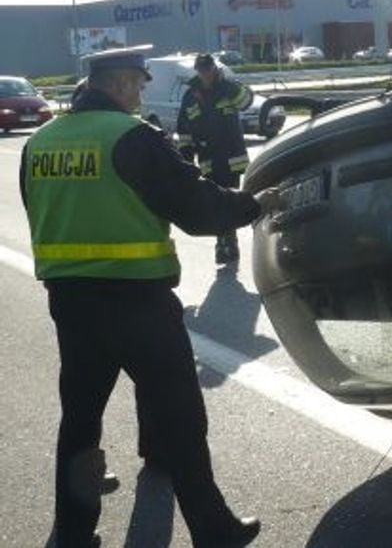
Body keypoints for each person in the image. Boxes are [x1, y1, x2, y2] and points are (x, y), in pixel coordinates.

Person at [20, 46, 279, 548]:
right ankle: (213, 528)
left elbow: (38, 211)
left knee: (80, 420)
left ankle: (74, 533)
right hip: (136, 303)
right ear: (118, 84)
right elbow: (200, 210)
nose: (140, 93)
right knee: (181, 416)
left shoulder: (41, 142)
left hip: (70, 304)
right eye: (137, 85)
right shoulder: (132, 137)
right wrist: (252, 206)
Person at [176, 53, 254, 269]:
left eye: (209, 69)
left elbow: (247, 101)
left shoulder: (228, 88)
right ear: (197, 71)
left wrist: (225, 84)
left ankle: (227, 243)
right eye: (201, 70)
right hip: (207, 159)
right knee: (215, 203)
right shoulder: (190, 96)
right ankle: (224, 242)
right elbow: (183, 131)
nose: (205, 73)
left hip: (231, 159)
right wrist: (185, 160)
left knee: (226, 200)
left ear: (214, 69)